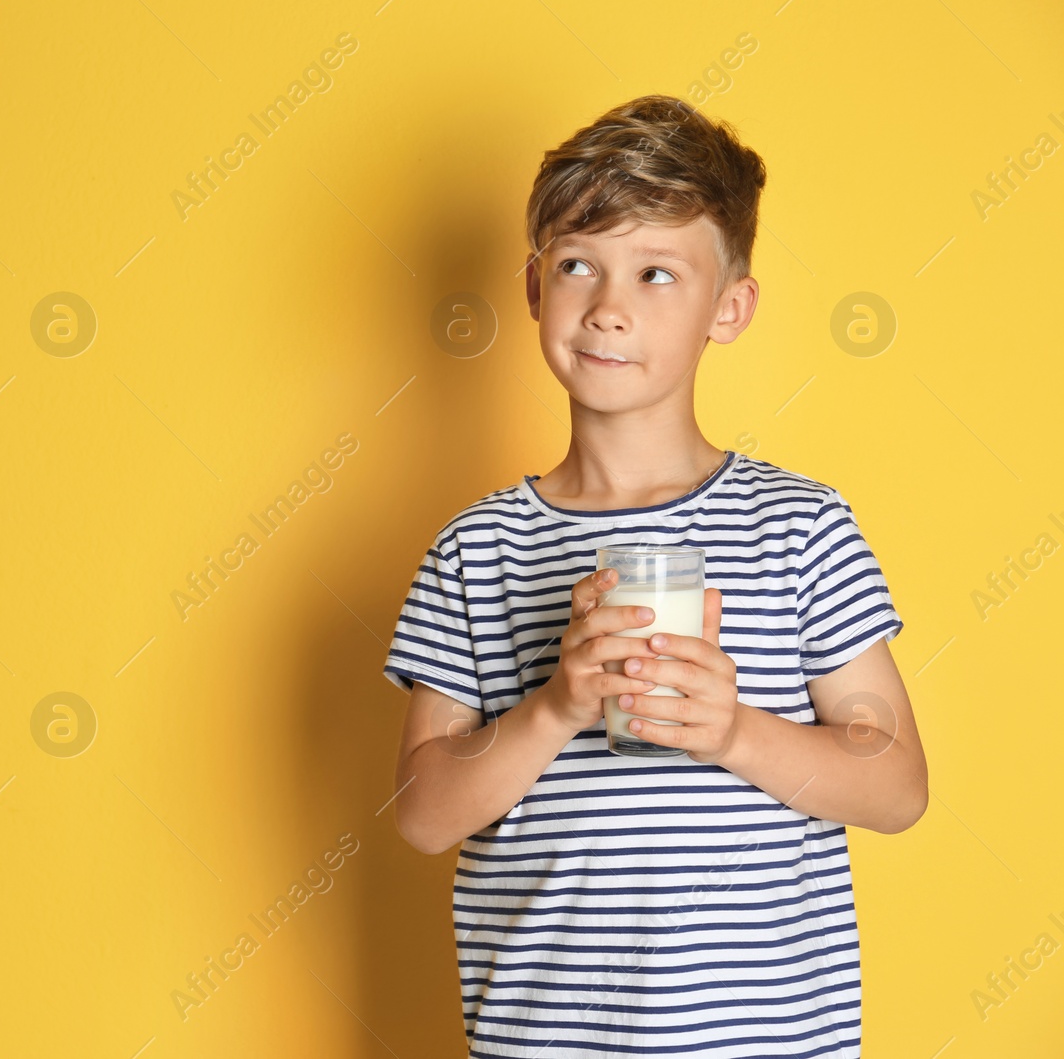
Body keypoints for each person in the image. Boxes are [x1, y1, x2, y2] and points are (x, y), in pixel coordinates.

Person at [382, 93, 928, 1057]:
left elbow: (896, 786)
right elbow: (423, 813)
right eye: (578, 264)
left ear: (731, 307)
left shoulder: (798, 526)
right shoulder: (476, 549)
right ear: (534, 287)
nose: (610, 307)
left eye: (657, 273)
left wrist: (732, 729)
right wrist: (554, 707)